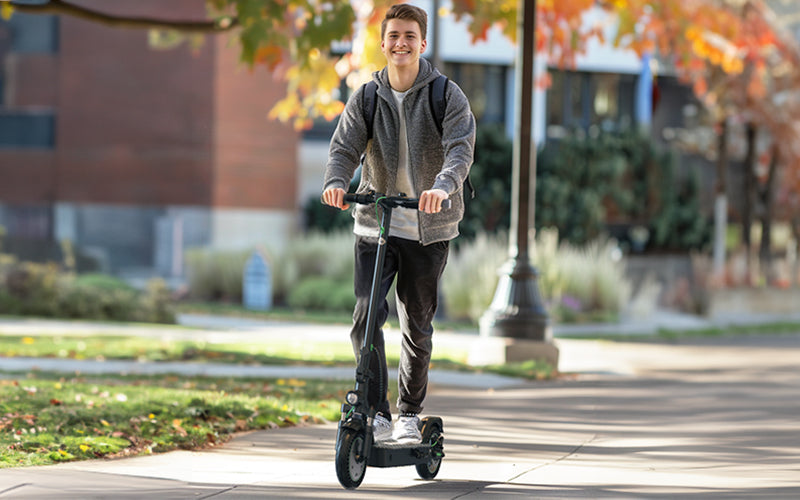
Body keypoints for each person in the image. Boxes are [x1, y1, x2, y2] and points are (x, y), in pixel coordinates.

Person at [321, 4, 475, 444]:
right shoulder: (367, 97)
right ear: (383, 42)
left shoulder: (446, 95)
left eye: (409, 35)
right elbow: (344, 147)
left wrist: (443, 187)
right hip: (376, 219)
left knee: (416, 324)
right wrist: (336, 181)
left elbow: (460, 150)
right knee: (366, 317)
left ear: (422, 43)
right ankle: (376, 411)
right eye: (393, 36)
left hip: (427, 225)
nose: (401, 43)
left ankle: (409, 412)